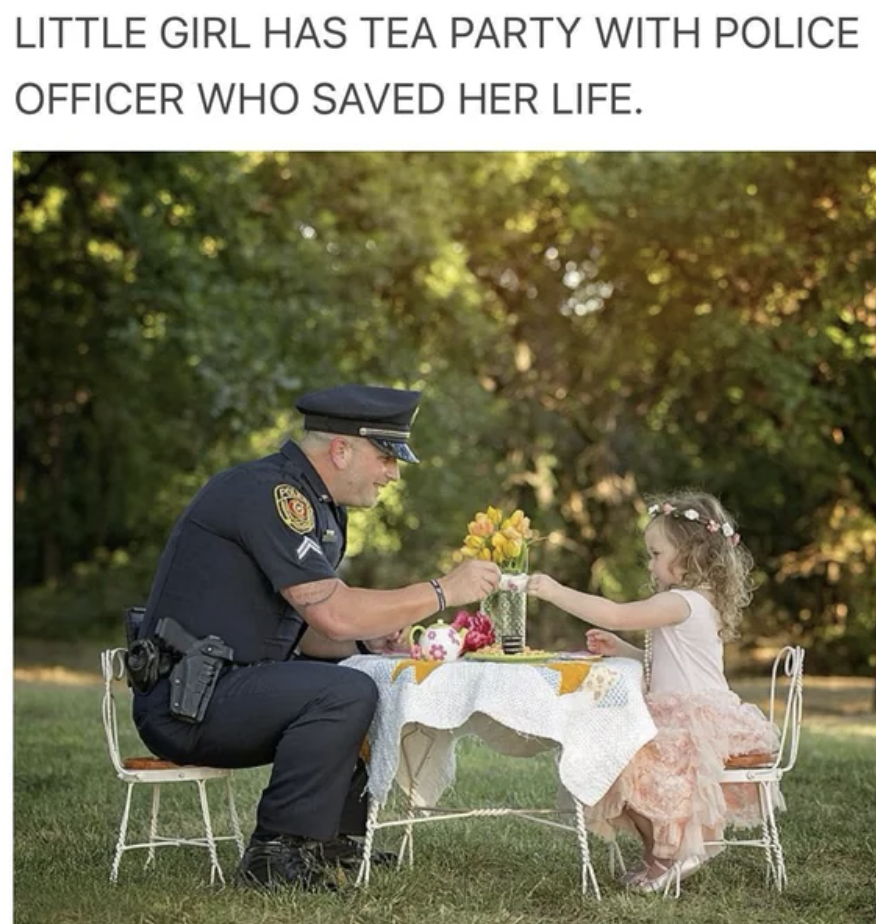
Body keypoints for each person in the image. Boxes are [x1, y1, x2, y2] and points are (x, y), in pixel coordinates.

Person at [131, 384, 500, 891]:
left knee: (358, 670)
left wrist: (369, 643)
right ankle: (273, 855)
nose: (392, 473)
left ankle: (332, 838)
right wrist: (442, 590)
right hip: (186, 702)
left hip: (230, 683)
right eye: (386, 456)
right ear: (341, 449)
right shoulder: (271, 494)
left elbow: (307, 632)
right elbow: (332, 613)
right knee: (345, 690)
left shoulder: (320, 504)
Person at [527, 490, 781, 893]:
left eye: (657, 553)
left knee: (620, 760)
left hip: (692, 721)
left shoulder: (682, 602)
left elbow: (614, 612)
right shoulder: (692, 601)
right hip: (686, 712)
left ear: (692, 554)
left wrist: (555, 591)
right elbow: (669, 664)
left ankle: (670, 857)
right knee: (616, 756)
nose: (651, 563)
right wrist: (623, 649)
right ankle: (660, 857)